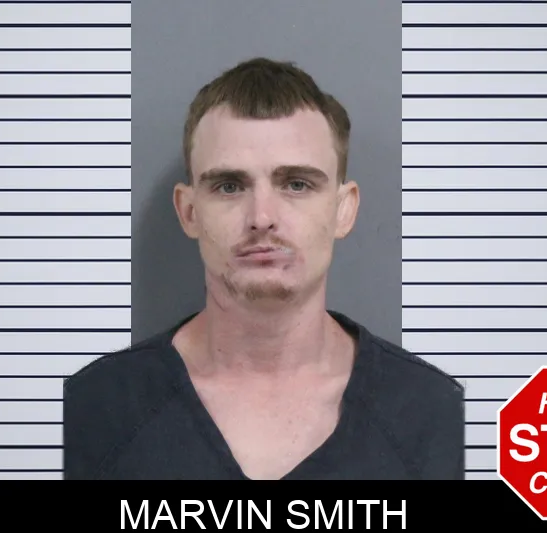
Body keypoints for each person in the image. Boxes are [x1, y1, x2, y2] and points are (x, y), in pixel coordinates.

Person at [63, 57, 465, 480]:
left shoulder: (433, 415)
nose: (262, 217)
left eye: (297, 184)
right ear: (189, 212)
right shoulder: (94, 410)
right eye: (229, 186)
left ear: (344, 210)